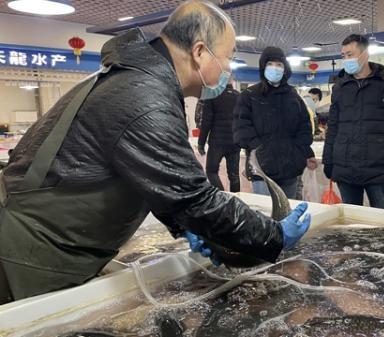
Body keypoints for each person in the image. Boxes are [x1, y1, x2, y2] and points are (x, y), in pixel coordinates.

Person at [0, 0, 310, 304]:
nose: (228, 68)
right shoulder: (145, 98)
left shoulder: (136, 80)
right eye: (227, 57)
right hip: (26, 253)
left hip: (44, 245)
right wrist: (273, 235)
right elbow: (194, 197)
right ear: (200, 52)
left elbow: (154, 180)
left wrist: (185, 224)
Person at [323, 34, 384, 210]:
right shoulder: (340, 87)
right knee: (351, 221)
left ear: (365, 54)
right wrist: (328, 159)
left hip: (376, 167)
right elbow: (332, 126)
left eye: (350, 54)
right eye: (343, 56)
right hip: (345, 167)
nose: (346, 59)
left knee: (381, 221)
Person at [234, 47, 318, 199]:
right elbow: (241, 129)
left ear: (285, 68)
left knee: (289, 213)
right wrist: (260, 149)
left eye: (279, 64)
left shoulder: (293, 95)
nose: (275, 68)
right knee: (267, 214)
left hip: (290, 169)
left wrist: (304, 152)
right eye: (270, 64)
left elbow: (304, 126)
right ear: (263, 67)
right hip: (262, 169)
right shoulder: (249, 96)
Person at [198, 82, 241, 192]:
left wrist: (201, 143)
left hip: (217, 143)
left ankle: (222, 196)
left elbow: (206, 122)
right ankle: (235, 202)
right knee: (234, 175)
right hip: (235, 142)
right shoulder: (238, 96)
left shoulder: (213, 95)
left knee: (211, 171)